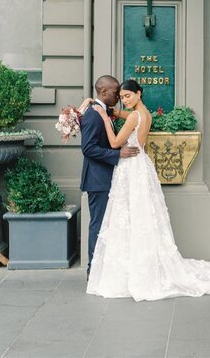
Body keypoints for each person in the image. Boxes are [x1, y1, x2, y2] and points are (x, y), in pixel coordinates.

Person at [85, 79, 210, 301]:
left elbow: (114, 143)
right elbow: (125, 116)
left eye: (128, 96)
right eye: (122, 97)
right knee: (140, 214)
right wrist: (110, 111)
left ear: (139, 94)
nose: (125, 100)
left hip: (131, 166)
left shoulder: (135, 117)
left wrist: (103, 117)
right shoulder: (144, 113)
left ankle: (132, 268)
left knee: (130, 214)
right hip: (141, 166)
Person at [79, 76, 139, 279]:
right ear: (104, 92)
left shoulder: (101, 111)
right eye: (116, 93)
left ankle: (102, 269)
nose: (119, 97)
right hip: (98, 180)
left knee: (106, 225)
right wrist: (117, 154)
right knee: (98, 225)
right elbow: (88, 149)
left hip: (105, 178)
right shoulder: (94, 115)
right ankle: (92, 271)